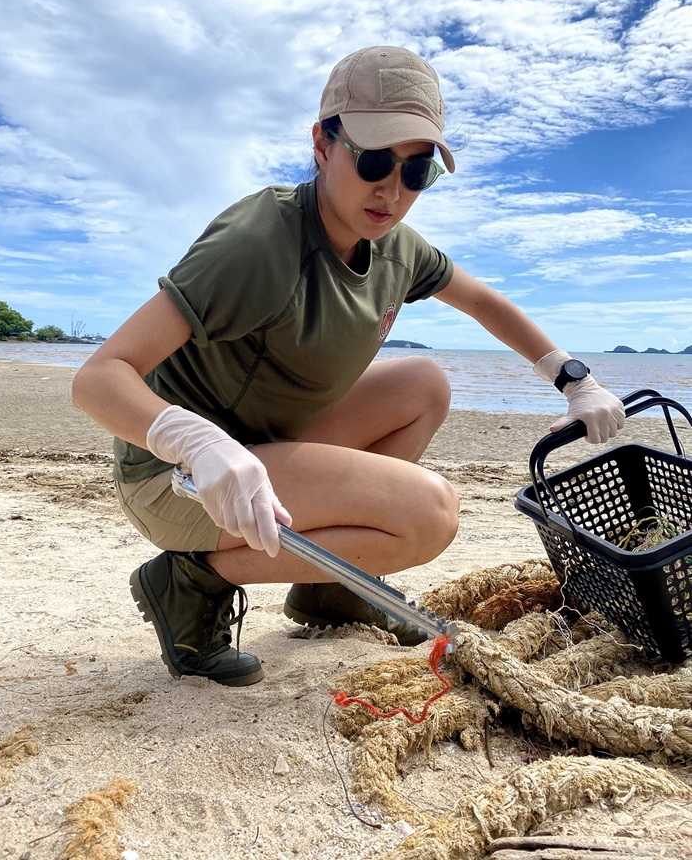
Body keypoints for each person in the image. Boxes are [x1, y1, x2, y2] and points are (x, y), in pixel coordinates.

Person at [72, 45, 625, 687]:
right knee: (430, 516)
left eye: (417, 172)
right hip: (181, 479)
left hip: (270, 448)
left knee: (423, 384)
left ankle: (327, 589)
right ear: (322, 145)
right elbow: (100, 376)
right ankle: (191, 579)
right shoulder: (258, 243)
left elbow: (480, 299)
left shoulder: (391, 244)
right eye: (372, 160)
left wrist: (573, 378)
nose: (391, 190)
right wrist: (195, 443)